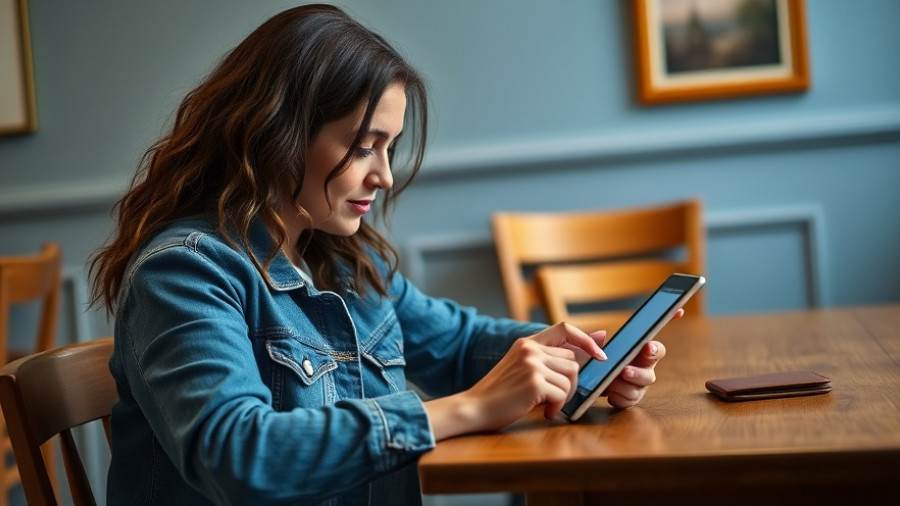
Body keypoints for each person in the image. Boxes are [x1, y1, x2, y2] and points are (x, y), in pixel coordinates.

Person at [89, 4, 671, 505]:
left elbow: (460, 343)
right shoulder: (185, 270)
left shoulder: (341, 266)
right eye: (365, 146)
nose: (386, 176)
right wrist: (464, 409)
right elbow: (237, 456)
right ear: (276, 132)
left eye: (388, 148)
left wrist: (585, 358)